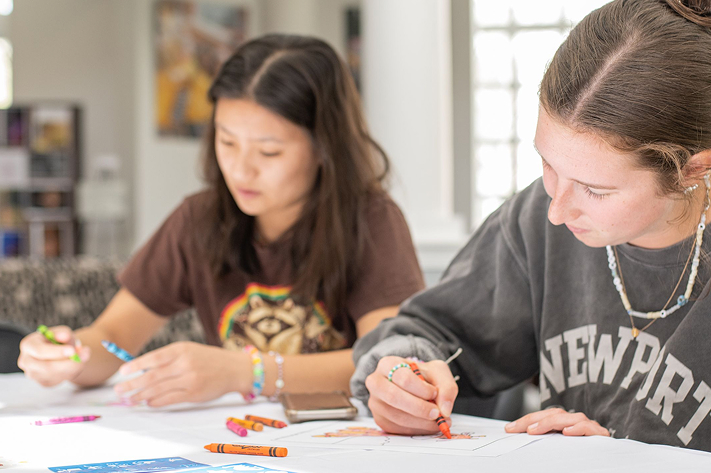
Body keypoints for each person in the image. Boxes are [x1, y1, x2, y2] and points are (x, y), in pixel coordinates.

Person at [350, 0, 711, 465]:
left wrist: (626, 460)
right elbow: (426, 334)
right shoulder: (533, 217)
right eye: (547, 164)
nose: (558, 210)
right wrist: (403, 377)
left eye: (595, 189)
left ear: (692, 169)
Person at [19, 34, 425, 406]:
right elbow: (113, 340)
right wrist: (69, 355)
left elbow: (385, 362)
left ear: (325, 148)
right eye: (226, 141)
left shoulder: (372, 222)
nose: (240, 170)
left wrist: (246, 372)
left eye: (269, 152)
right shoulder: (199, 219)